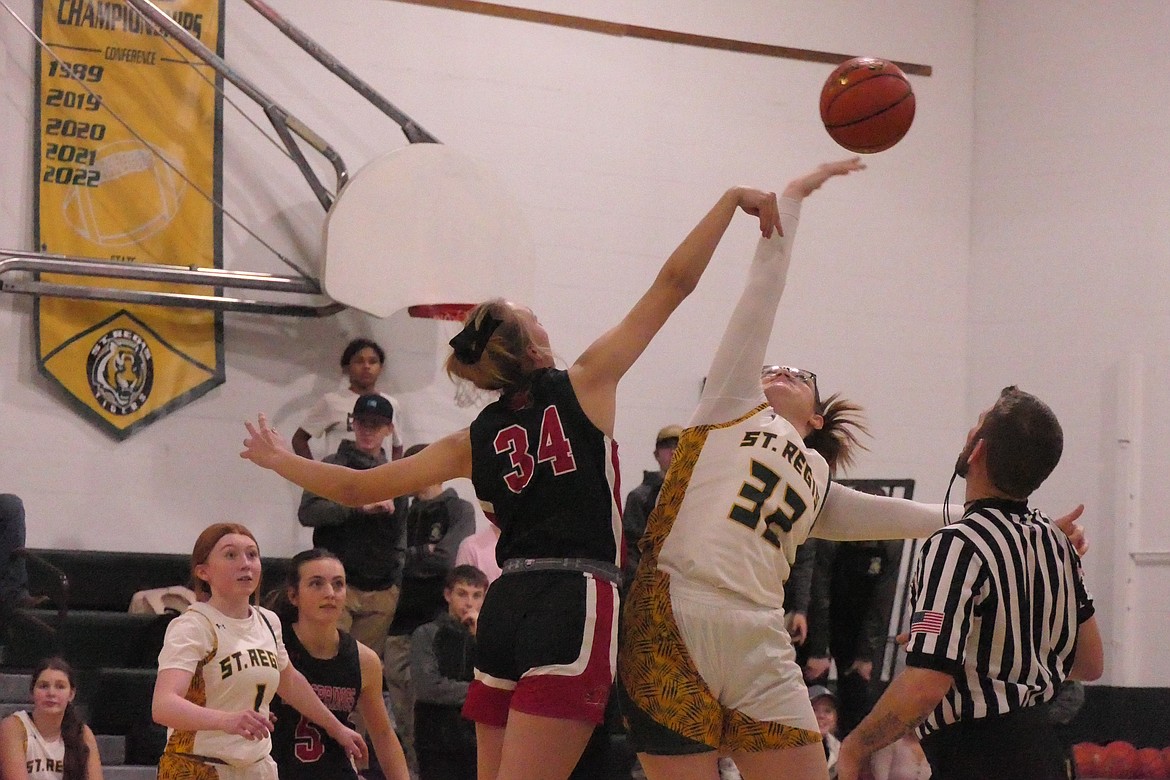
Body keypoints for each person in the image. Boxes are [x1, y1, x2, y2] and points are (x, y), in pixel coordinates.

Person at [242, 175, 795, 780]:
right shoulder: (586, 382)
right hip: (575, 598)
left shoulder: (471, 440)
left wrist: (281, 459)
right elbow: (674, 284)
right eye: (538, 320)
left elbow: (356, 488)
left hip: (505, 604)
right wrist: (726, 202)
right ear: (533, 346)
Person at [615, 160, 1087, 780]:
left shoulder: (814, 481)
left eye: (799, 374)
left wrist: (1025, 524)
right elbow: (762, 297)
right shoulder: (730, 404)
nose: (778, 371)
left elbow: (917, 517)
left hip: (759, 633)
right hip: (675, 611)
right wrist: (794, 201)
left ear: (815, 419)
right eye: (772, 368)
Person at [837, 387, 1105, 780]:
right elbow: (1089, 664)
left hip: (977, 756)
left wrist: (856, 745)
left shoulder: (956, 544)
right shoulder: (1055, 541)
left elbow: (925, 686)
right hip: (1044, 752)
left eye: (976, 423)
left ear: (977, 450)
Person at [152, 522, 367, 779]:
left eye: (252, 555)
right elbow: (163, 706)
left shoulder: (268, 620)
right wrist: (226, 720)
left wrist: (336, 728)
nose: (245, 564)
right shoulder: (193, 625)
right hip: (198, 766)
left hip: (256, 767)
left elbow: (289, 680)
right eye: (231, 555)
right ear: (203, 571)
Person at [268, 548, 410, 780]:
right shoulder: (272, 645)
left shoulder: (364, 660)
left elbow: (383, 734)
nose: (330, 593)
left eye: (338, 584)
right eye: (316, 584)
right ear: (294, 596)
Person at [383, 442, 477, 775]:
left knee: (439, 721)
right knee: (404, 724)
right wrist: (421, 554)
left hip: (439, 629)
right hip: (398, 627)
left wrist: (412, 556)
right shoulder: (401, 510)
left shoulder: (458, 508)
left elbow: (446, 560)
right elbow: (389, 561)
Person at [298, 394, 407, 654]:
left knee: (363, 668)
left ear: (389, 429)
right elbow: (308, 513)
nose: (368, 431)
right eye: (362, 423)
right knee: (327, 661)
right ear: (352, 423)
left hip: (381, 588)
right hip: (336, 585)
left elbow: (401, 531)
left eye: (376, 425)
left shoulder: (396, 476)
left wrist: (395, 581)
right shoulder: (332, 467)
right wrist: (356, 507)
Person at [803, 533, 904, 736]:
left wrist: (866, 654)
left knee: (857, 707)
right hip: (817, 620)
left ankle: (845, 763)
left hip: (858, 629)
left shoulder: (891, 539)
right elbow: (818, 590)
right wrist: (819, 650)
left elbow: (881, 601)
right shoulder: (832, 534)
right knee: (808, 705)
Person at [409, 565, 488, 780]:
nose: (469, 603)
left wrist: (478, 636)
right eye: (462, 594)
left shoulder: (488, 638)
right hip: (436, 740)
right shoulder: (426, 634)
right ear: (448, 595)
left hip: (478, 740)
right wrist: (479, 692)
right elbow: (428, 687)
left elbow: (498, 681)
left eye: (476, 595)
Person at [293, 337, 406, 461]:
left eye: (372, 361)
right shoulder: (331, 401)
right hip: (339, 475)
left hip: (377, 476)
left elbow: (397, 445)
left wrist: (394, 476)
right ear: (347, 367)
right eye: (359, 361)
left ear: (380, 368)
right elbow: (299, 439)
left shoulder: (391, 404)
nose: (366, 366)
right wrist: (315, 475)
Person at [0, 656, 103, 780]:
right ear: (32, 692)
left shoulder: (83, 733)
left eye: (60, 686)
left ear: (71, 694)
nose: (51, 693)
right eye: (43, 686)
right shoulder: (14, 727)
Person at [622, 425, 681, 585]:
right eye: (666, 446)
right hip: (650, 585)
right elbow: (631, 549)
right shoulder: (639, 498)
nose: (673, 451)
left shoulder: (697, 495)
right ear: (657, 454)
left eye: (679, 446)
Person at [808, 686, 842, 779]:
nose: (822, 716)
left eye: (828, 711)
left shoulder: (839, 751)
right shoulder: (788, 749)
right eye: (814, 710)